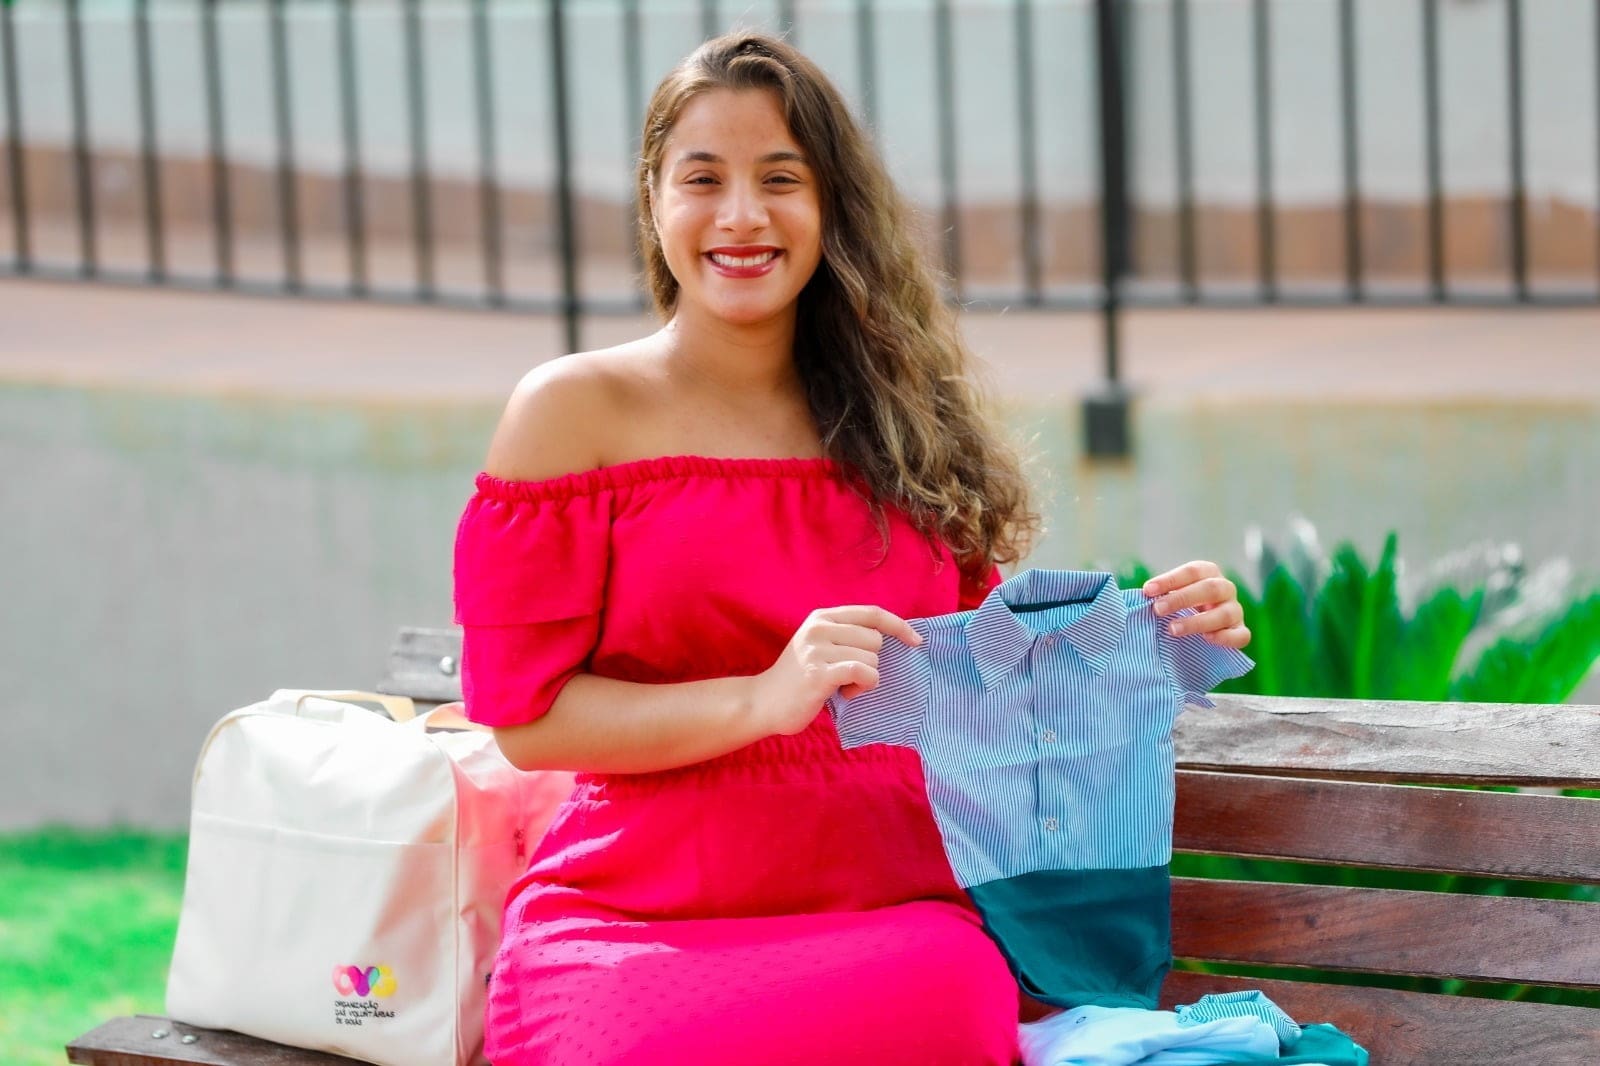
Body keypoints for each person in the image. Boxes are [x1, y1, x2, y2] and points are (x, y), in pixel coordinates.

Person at [452, 31, 1251, 1066]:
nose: (741, 215)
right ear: (654, 201)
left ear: (831, 209)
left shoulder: (904, 422)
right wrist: (761, 696)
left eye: (780, 179)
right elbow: (528, 719)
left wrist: (1168, 634)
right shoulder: (573, 410)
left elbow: (987, 681)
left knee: (948, 1004)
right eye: (703, 179)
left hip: (893, 907)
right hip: (637, 911)